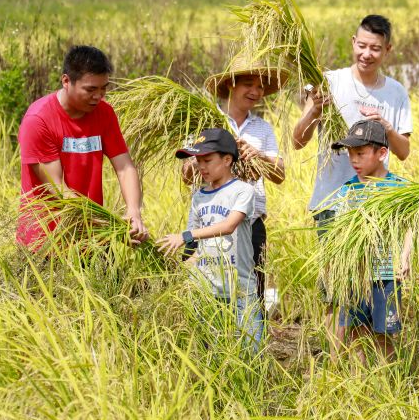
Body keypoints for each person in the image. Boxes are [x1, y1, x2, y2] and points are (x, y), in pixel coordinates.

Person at [291, 15, 413, 352]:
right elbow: (297, 141)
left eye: (375, 48)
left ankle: (379, 367)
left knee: (378, 286)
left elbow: (402, 152)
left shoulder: (395, 93)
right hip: (333, 203)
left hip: (376, 205)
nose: (367, 53)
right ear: (352, 42)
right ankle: (336, 366)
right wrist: (312, 111)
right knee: (336, 292)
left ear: (388, 49)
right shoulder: (328, 82)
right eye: (361, 45)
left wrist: (388, 128)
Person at [17, 45, 147, 248]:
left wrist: (133, 211)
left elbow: (124, 167)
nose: (99, 96)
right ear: (66, 81)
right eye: (91, 89)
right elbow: (57, 188)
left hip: (92, 239)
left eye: (104, 88)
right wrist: (110, 227)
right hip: (47, 240)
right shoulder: (39, 119)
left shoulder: (104, 113)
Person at [187, 55, 287, 317]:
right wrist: (213, 151)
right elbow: (186, 175)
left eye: (260, 86)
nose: (255, 91)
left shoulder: (262, 128)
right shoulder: (204, 121)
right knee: (212, 292)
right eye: (248, 84)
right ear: (230, 85)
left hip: (251, 222)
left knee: (253, 291)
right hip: (212, 219)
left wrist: (259, 156)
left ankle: (253, 350)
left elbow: (279, 175)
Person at [159, 128, 262, 350]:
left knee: (251, 352)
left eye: (207, 160)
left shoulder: (243, 191)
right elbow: (196, 246)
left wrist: (185, 236)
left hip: (240, 289)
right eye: (198, 161)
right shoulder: (198, 197)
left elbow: (228, 225)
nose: (201, 166)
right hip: (209, 290)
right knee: (215, 353)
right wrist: (185, 273)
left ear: (227, 159)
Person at [327, 120, 410, 364]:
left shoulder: (397, 187)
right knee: (356, 334)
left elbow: (408, 227)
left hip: (385, 274)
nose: (354, 160)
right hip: (355, 276)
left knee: (384, 334)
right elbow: (340, 232)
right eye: (351, 154)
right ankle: (359, 384)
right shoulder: (347, 190)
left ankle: (390, 380)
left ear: (382, 153)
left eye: (361, 154)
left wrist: (405, 256)